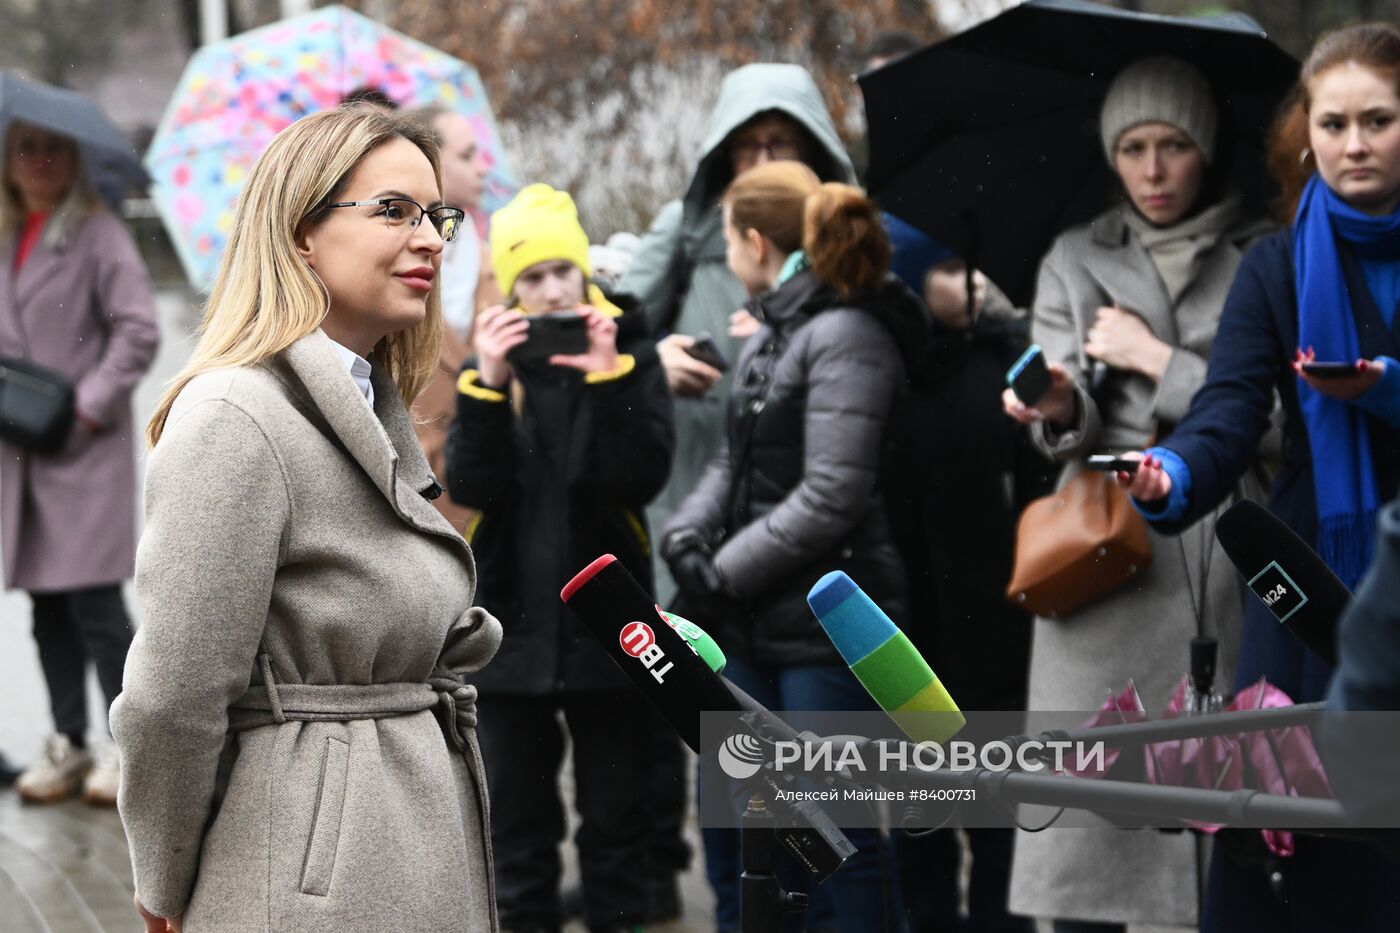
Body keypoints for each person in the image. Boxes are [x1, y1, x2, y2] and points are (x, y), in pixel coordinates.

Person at [110, 106, 502, 932]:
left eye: (438, 215)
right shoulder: (236, 415)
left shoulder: (369, 403)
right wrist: (164, 885)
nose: (432, 237)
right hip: (304, 878)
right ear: (299, 234)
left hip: (397, 842)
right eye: (394, 210)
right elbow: (172, 700)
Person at [1119, 24, 1400, 932]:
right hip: (1304, 581)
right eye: (1334, 123)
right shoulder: (1275, 264)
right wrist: (1169, 471)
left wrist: (1385, 393)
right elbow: (1228, 411)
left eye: (1380, 120)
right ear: (1304, 134)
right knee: (1285, 858)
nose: (1354, 143)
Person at [1000, 57, 1276, 932]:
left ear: (1209, 148)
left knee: (1206, 842)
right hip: (1101, 565)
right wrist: (1053, 403)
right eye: (1132, 148)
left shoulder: (1268, 253)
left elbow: (1272, 417)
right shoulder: (1077, 254)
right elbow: (1070, 413)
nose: (1152, 171)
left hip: (1217, 557)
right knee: (1086, 829)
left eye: (1174, 145)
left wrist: (1158, 361)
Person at [661, 161, 922, 932]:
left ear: (751, 240)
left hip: (821, 623)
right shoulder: (775, 330)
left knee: (836, 829)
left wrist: (723, 568)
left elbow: (832, 493)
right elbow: (732, 459)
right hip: (747, 617)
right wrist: (687, 537)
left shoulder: (846, 332)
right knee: (747, 818)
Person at [445, 183, 674, 933]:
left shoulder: (629, 354)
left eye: (561, 273)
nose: (549, 292)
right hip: (511, 637)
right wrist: (487, 385)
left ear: (585, 275)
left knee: (617, 825)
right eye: (531, 278)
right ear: (511, 289)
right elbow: (473, 484)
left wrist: (611, 379)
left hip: (611, 636)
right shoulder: (492, 375)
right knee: (516, 834)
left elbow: (636, 479)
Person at [622, 62, 857, 607]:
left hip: (807, 490)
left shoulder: (846, 244)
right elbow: (608, 339)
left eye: (781, 143)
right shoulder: (683, 229)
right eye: (748, 145)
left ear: (814, 150)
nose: (764, 161)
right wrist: (654, 361)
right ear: (723, 153)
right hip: (695, 486)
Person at [880, 215, 1050, 933]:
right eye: (949, 269)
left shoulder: (1005, 365)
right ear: (913, 280)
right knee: (919, 830)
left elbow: (1040, 491)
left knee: (998, 827)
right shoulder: (888, 373)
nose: (971, 285)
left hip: (996, 629)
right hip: (909, 633)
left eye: (971, 268)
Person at [1, 120, 159, 806]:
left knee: (97, 605)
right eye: (24, 148)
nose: (38, 161)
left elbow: (139, 330)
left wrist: (85, 408)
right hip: (19, 453)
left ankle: (130, 748)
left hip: (81, 450)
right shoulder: (6, 237)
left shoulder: (100, 235)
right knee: (46, 606)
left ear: (74, 160)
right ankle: (68, 741)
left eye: (52, 148)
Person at [404, 105, 500, 536]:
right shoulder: (393, 267)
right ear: (431, 161)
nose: (481, 169)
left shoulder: (496, 260)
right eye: (466, 157)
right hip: (417, 490)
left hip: (488, 486)